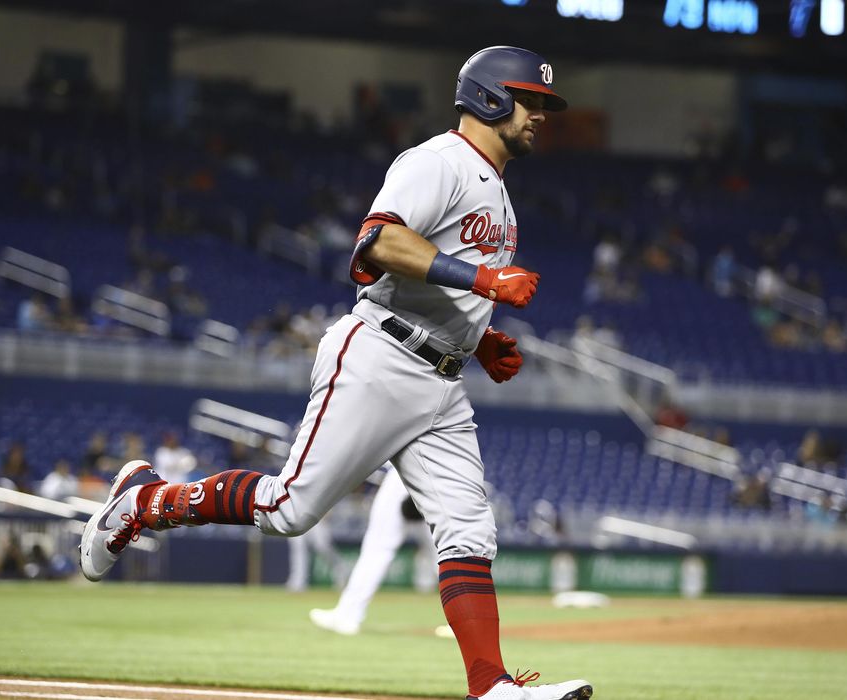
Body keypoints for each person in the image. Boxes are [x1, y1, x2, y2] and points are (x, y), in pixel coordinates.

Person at [79, 46, 591, 700]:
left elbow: (442, 279)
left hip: (440, 378)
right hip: (381, 357)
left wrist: (482, 337)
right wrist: (484, 278)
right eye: (531, 100)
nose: (541, 114)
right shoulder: (439, 162)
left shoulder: (498, 192)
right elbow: (379, 243)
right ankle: (145, 501)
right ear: (490, 97)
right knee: (290, 509)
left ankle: (492, 689)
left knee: (468, 529)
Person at [309, 467, 438, 635]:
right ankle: (471, 617)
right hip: (444, 474)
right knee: (447, 549)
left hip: (409, 470)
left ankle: (348, 615)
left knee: (378, 548)